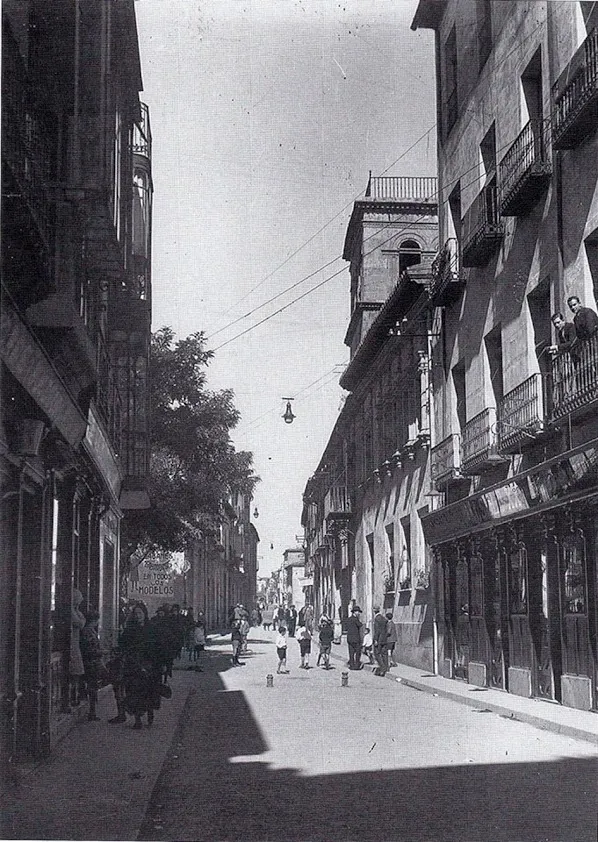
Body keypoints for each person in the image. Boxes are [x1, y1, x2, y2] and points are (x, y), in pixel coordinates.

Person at [80, 609, 105, 721]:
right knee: (92, 687)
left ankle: (92, 711)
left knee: (92, 686)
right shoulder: (89, 632)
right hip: (92, 663)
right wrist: (102, 652)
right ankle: (92, 712)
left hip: (91, 662)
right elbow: (90, 650)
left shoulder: (88, 631)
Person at [70, 588, 86, 706]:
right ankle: (72, 696)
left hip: (76, 643)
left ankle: (75, 695)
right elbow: (80, 623)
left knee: (77, 671)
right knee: (74, 671)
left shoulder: (76, 611)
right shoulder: (71, 611)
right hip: (72, 644)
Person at [346, 605, 364, 670]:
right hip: (356, 639)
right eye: (358, 612)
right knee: (358, 653)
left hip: (349, 639)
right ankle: (356, 665)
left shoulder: (348, 619)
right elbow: (360, 625)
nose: (358, 613)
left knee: (351, 653)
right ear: (354, 612)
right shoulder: (355, 619)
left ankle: (352, 665)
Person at [373, 606, 389, 676]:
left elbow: (377, 630)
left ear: (374, 610)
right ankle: (386, 667)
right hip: (384, 639)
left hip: (379, 639)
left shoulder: (377, 619)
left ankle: (382, 668)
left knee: (377, 654)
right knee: (384, 653)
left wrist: (376, 639)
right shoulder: (384, 618)